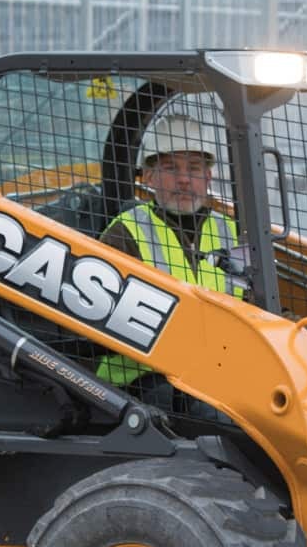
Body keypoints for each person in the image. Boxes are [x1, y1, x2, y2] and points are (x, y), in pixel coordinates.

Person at [97, 113, 247, 402]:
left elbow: (256, 308)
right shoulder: (125, 232)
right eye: (170, 168)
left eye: (193, 168)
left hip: (213, 378)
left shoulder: (229, 231)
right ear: (149, 176)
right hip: (138, 386)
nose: (183, 179)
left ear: (208, 176)